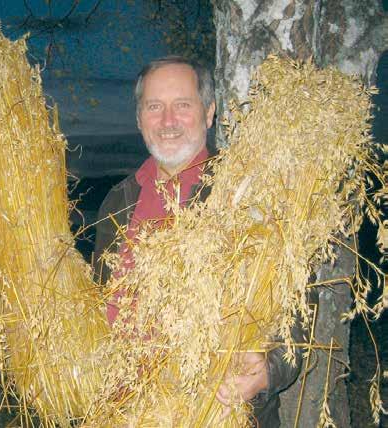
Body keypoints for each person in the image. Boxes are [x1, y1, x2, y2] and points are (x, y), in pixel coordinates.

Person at [93, 56, 302, 427]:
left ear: (209, 113)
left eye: (183, 105)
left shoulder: (246, 195)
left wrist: (267, 370)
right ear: (140, 119)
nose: (168, 121)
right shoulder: (118, 201)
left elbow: (300, 307)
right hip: (120, 413)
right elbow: (101, 304)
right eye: (154, 107)